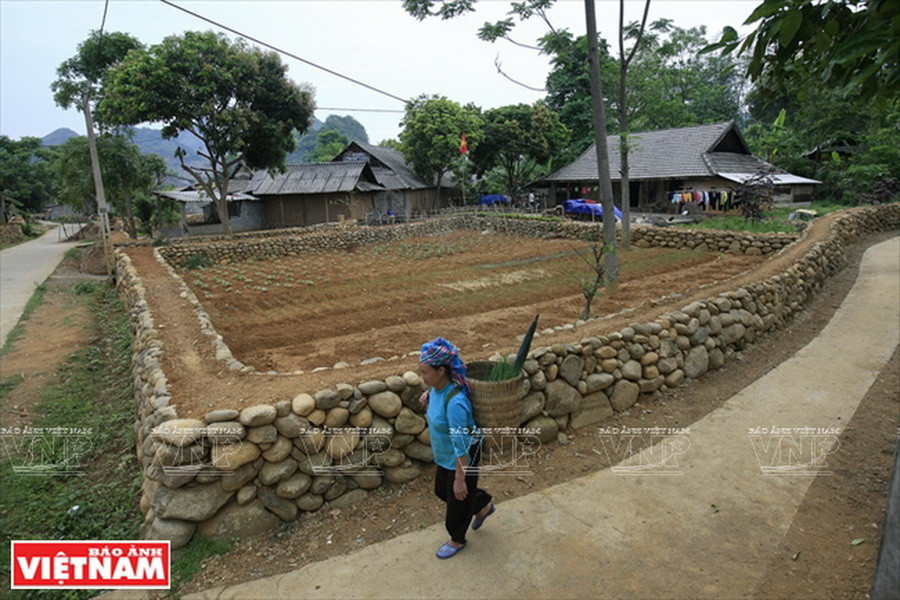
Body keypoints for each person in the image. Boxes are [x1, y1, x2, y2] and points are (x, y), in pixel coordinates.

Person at [418, 337, 495, 559]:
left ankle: (457, 539)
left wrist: (460, 478)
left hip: (463, 455)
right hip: (447, 454)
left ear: (441, 370)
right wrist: (428, 396)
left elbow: (461, 446)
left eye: (424, 372)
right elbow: (436, 395)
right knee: (442, 490)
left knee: (457, 499)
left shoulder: (456, 404)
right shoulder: (437, 389)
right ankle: (482, 506)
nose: (422, 376)